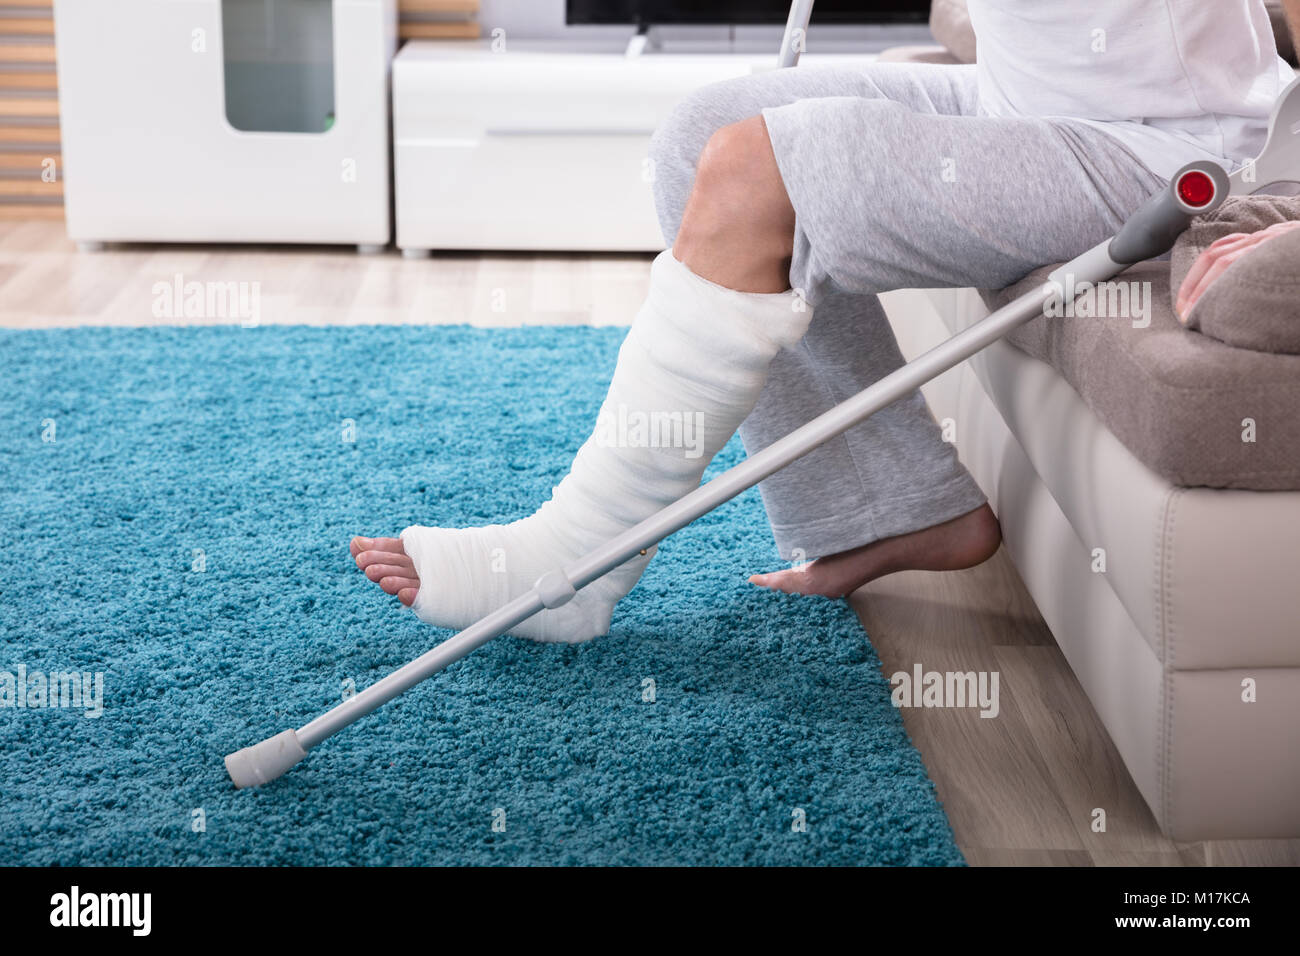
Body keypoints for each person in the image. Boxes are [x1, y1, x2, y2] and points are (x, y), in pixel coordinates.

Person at [351, 0, 1296, 643]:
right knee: (703, 136)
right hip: (1027, 112)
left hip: (1164, 157)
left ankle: (581, 553)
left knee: (764, 167)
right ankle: (893, 508)